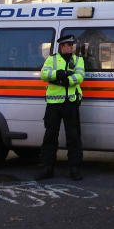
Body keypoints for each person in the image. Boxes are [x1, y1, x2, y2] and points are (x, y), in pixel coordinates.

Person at [35, 34, 86, 180]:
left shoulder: (78, 59)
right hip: (53, 104)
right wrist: (59, 73)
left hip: (70, 102)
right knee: (50, 136)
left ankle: (74, 168)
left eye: (71, 45)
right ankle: (47, 168)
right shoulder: (52, 59)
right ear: (61, 46)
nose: (70, 47)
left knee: (74, 137)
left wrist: (65, 81)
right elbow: (44, 74)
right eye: (68, 45)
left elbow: (80, 76)